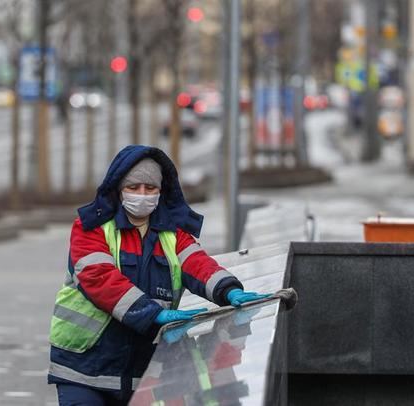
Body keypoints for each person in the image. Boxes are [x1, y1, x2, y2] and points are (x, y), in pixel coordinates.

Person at [48, 145, 269, 405]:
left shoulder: (172, 235)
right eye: (134, 188)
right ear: (119, 189)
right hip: (84, 367)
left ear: (160, 192)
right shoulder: (92, 228)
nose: (142, 195)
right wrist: (152, 313)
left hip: (141, 373)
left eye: (150, 189)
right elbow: (99, 277)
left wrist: (228, 289)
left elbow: (198, 264)